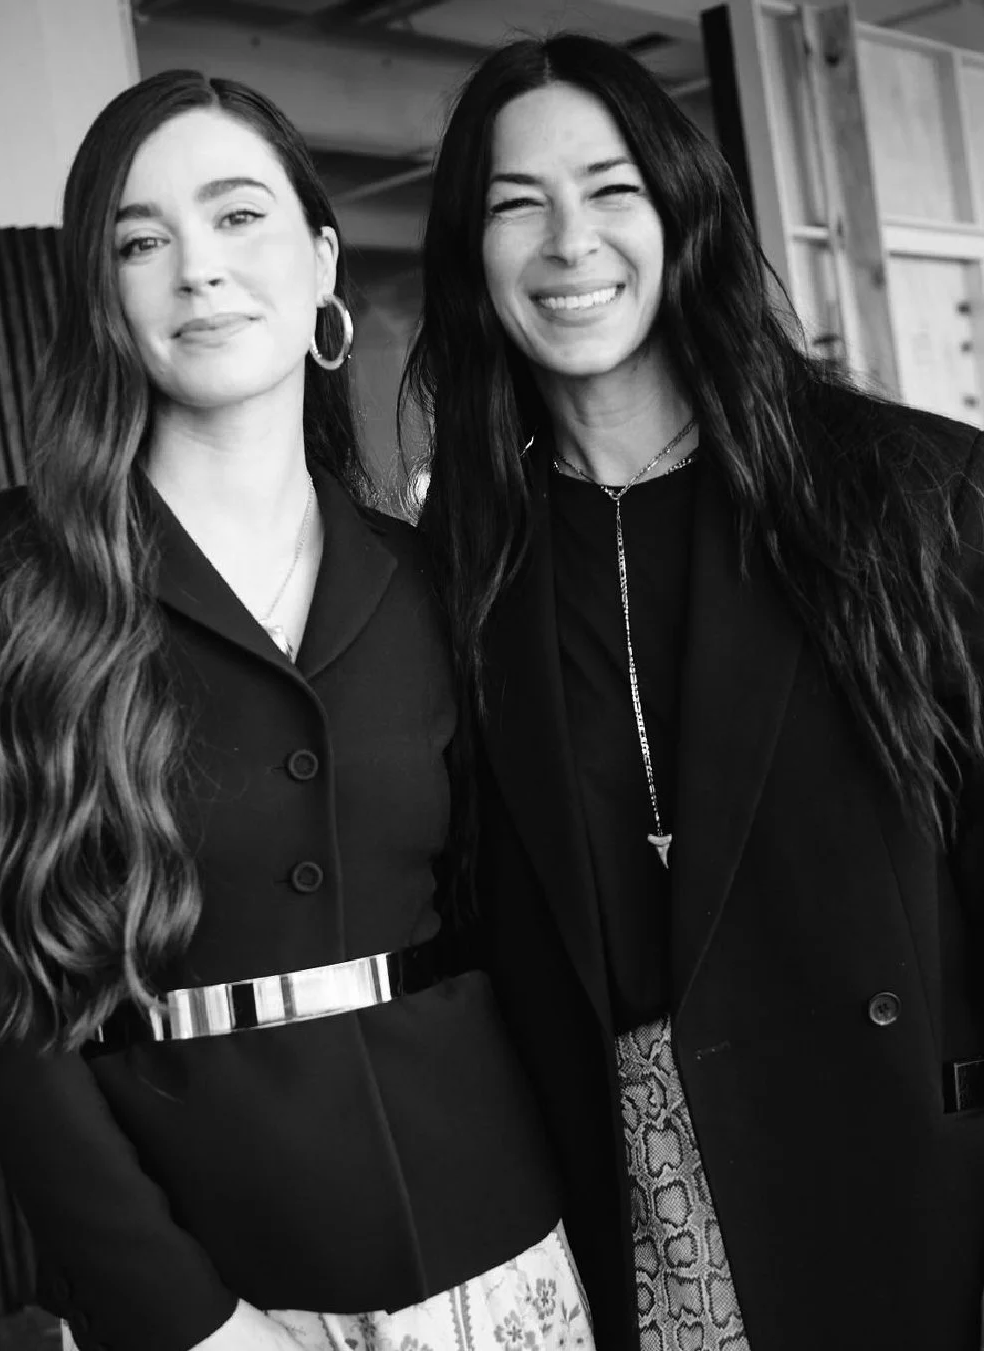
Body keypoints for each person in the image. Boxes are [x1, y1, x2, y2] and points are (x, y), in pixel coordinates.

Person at [0, 70, 596, 1351]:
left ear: (321, 258)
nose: (197, 271)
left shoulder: (429, 570)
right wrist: (184, 1317)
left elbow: (511, 923)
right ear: (101, 292)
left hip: (499, 1249)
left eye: (236, 218)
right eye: (141, 239)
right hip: (212, 1277)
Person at [403, 31, 984, 1351]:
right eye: (514, 202)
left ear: (683, 211)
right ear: (467, 250)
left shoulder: (909, 493)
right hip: (616, 1212)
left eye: (610, 188)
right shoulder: (451, 573)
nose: (568, 242)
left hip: (902, 1173)